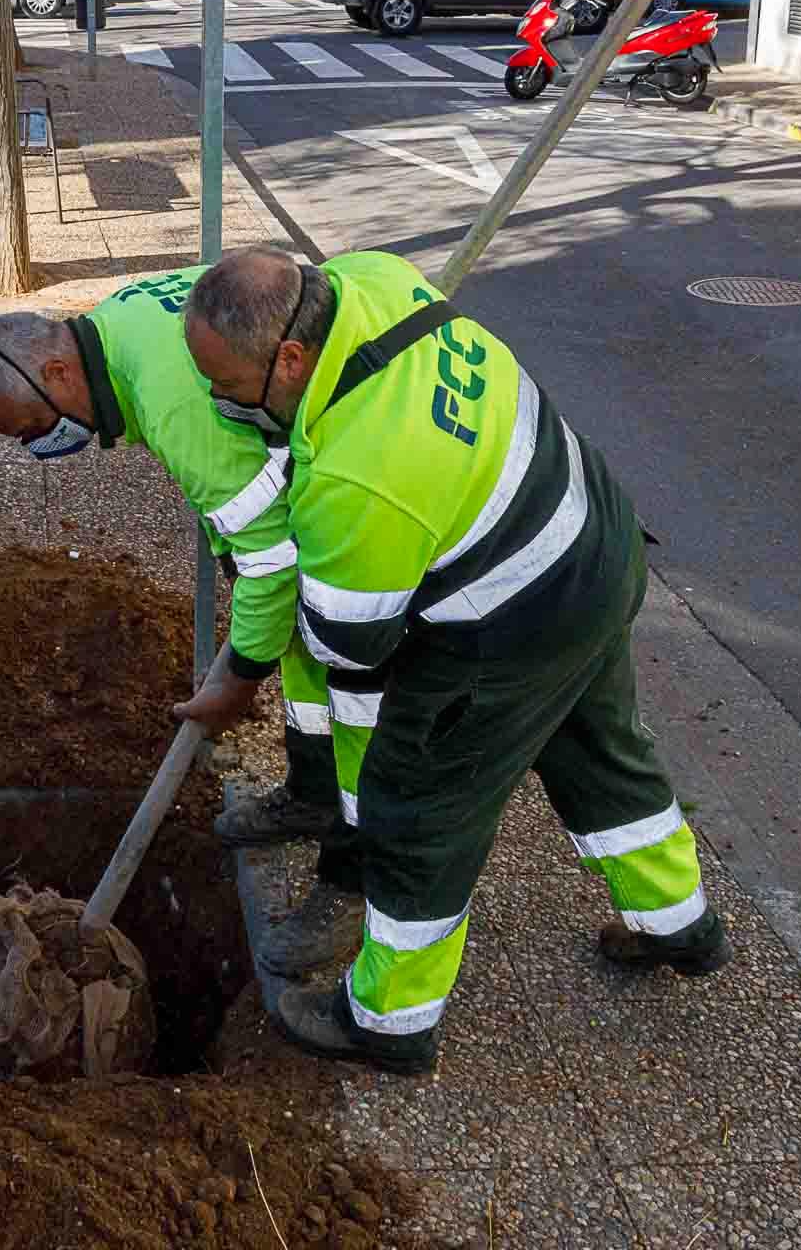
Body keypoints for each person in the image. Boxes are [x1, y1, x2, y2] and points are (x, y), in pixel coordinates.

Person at [175, 246, 728, 1074]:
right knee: (599, 753)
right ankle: (680, 925)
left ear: (288, 359)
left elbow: (349, 647)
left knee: (415, 812)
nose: (218, 403)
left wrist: (293, 589)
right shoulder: (370, 278)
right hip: (594, 542)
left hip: (514, 620)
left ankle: (389, 1022)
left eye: (226, 385)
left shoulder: (361, 479)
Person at [0, 272, 356, 901]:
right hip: (321, 474)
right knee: (301, 647)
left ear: (57, 372)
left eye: (31, 427)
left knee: (356, 685)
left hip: (363, 494)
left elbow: (272, 559)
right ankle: (313, 793)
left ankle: (354, 872)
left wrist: (236, 682)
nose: (36, 446)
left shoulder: (173, 406)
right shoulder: (121, 319)